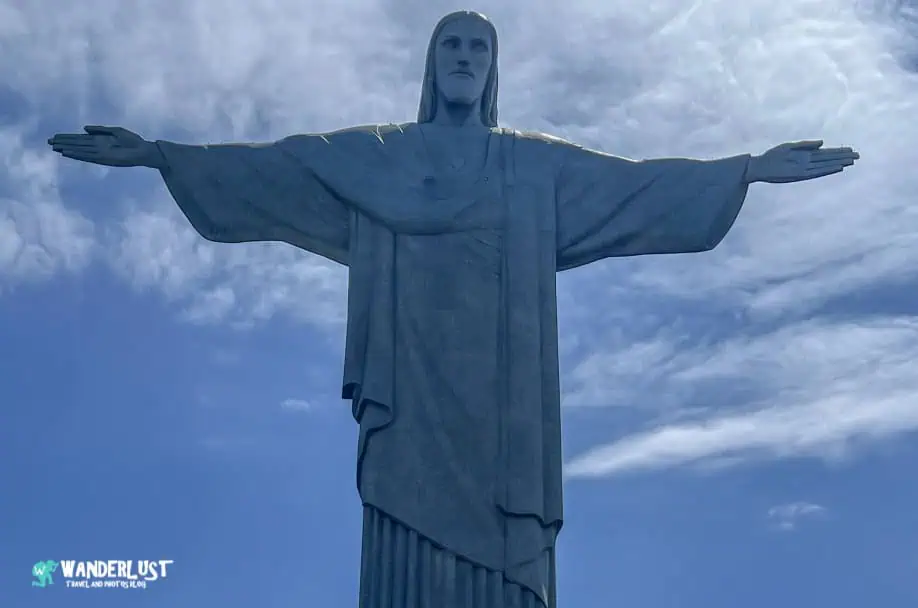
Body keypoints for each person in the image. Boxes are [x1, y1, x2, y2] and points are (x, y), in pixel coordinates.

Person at [47, 10, 859, 608]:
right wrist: (159, 155)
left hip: (503, 416)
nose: (465, 59)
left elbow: (633, 185)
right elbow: (280, 170)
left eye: (478, 48)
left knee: (503, 561)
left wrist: (744, 170)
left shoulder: (532, 168)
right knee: (404, 546)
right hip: (409, 399)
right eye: (452, 46)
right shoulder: (377, 157)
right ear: (432, 66)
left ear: (493, 71)